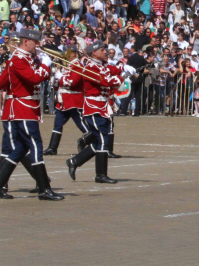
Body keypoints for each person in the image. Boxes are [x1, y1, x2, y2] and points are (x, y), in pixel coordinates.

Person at [0, 29, 63, 200]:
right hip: (23, 108)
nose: (39, 46)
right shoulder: (19, 59)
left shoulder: (23, 59)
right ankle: (44, 188)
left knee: (19, 149)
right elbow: (34, 78)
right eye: (36, 42)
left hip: (26, 107)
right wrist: (45, 64)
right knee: (35, 146)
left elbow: (4, 81)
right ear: (26, 42)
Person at [65, 41, 134, 186]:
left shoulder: (103, 65)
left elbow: (113, 69)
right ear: (93, 53)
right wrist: (123, 75)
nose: (105, 52)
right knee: (103, 140)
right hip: (93, 106)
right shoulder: (90, 68)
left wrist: (125, 67)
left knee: (98, 141)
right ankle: (100, 174)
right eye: (102, 50)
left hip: (102, 106)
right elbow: (108, 82)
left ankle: (74, 161)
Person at [42, 48, 91, 156]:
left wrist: (61, 77)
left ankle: (92, 141)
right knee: (57, 124)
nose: (65, 55)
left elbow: (74, 82)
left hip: (73, 99)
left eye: (68, 53)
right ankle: (52, 147)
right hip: (63, 100)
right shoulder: (68, 65)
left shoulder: (78, 65)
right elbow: (62, 82)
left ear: (73, 53)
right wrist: (55, 80)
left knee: (81, 123)